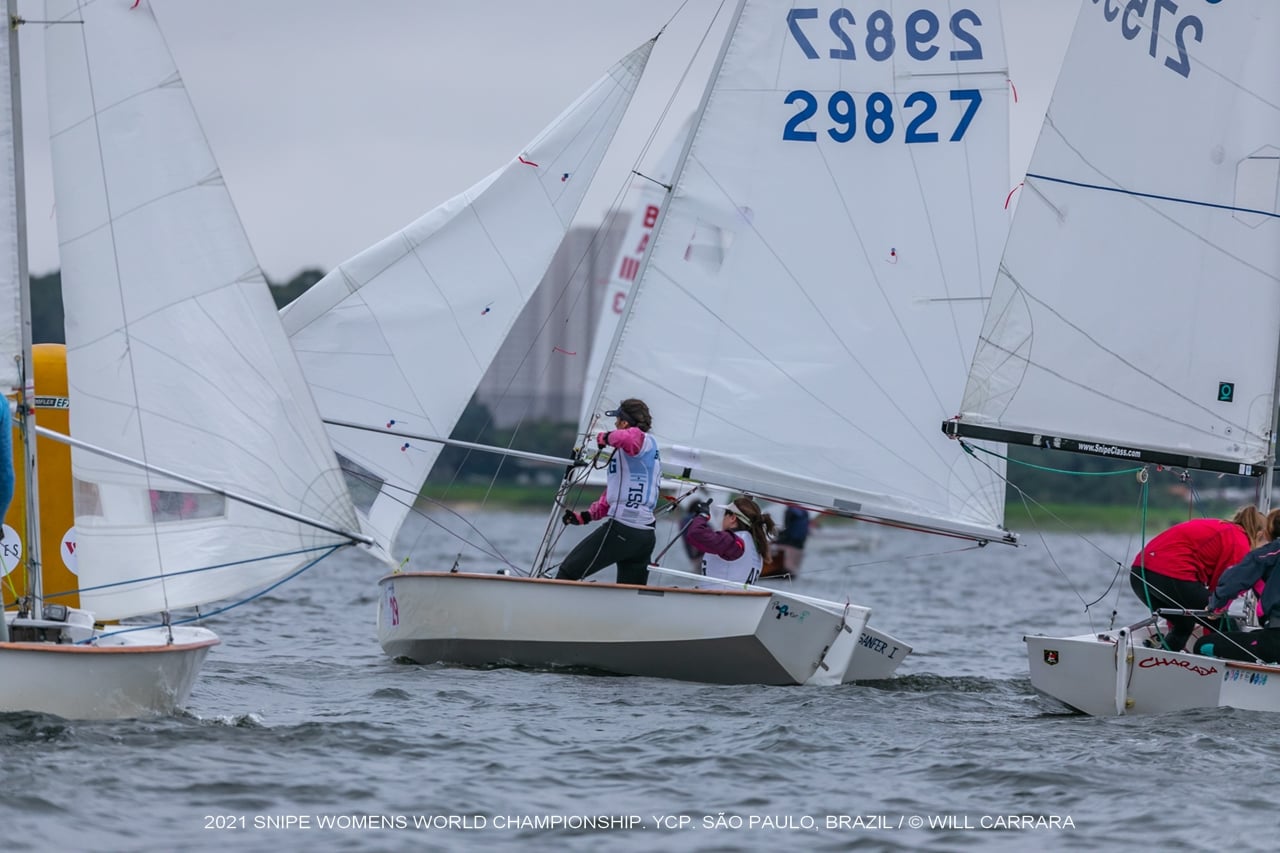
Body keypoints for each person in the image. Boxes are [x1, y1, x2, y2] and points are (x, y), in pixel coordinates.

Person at [1130, 506, 1268, 652]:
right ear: (1259, 535)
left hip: (1139, 574)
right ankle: (1220, 661)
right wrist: (1213, 626)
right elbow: (1223, 591)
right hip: (1170, 574)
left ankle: (1165, 658)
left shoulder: (1224, 529)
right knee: (1227, 625)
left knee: (1183, 624)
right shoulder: (1239, 542)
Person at [556, 398, 660, 586]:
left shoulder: (640, 441)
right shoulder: (638, 452)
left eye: (617, 420)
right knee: (629, 592)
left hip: (624, 529)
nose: (615, 424)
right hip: (644, 536)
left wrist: (604, 437)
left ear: (624, 422)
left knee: (567, 572)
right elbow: (611, 496)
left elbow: (628, 438)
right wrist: (586, 516)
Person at [1197, 531, 1280, 663]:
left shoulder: (1271, 552)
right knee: (1256, 637)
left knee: (1203, 645)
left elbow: (1234, 581)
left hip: (1275, 640)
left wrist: (1215, 606)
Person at [682, 496, 775, 584]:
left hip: (720, 595)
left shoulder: (732, 541)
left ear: (733, 518)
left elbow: (695, 533)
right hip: (733, 594)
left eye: (724, 515)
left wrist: (702, 516)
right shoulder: (755, 543)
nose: (722, 519)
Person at [764, 503, 811, 578]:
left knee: (770, 543)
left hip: (790, 539)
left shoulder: (790, 511)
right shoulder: (805, 512)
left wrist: (779, 534)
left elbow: (787, 527)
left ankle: (770, 564)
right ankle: (791, 569)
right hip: (800, 542)